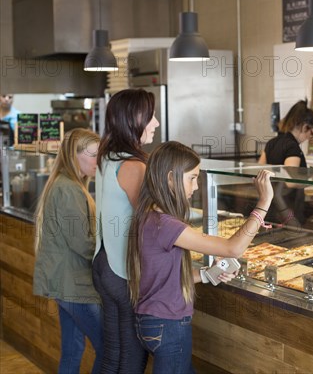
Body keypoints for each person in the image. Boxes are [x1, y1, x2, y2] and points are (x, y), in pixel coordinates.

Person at [127, 141, 273, 374]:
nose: (196, 187)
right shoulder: (165, 224)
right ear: (170, 178)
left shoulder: (148, 215)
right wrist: (263, 203)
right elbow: (233, 248)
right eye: (192, 178)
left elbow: (163, 279)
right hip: (169, 326)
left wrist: (207, 273)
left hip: (151, 322)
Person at [92, 89, 160, 373]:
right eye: (151, 116)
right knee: (133, 358)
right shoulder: (134, 165)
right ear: (135, 119)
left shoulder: (108, 156)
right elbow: (155, 220)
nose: (155, 123)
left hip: (103, 263)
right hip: (122, 271)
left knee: (113, 353)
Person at [33, 128, 103, 373]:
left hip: (66, 285)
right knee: (108, 349)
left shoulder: (69, 184)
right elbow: (82, 243)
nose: (99, 161)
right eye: (94, 155)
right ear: (75, 155)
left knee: (73, 351)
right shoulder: (69, 188)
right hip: (74, 286)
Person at [258, 100, 313, 228]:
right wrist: (311, 180)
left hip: (271, 210)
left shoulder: (271, 143)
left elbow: (259, 173)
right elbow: (290, 182)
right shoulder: (293, 148)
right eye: (310, 132)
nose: (309, 136)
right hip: (288, 210)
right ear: (304, 126)